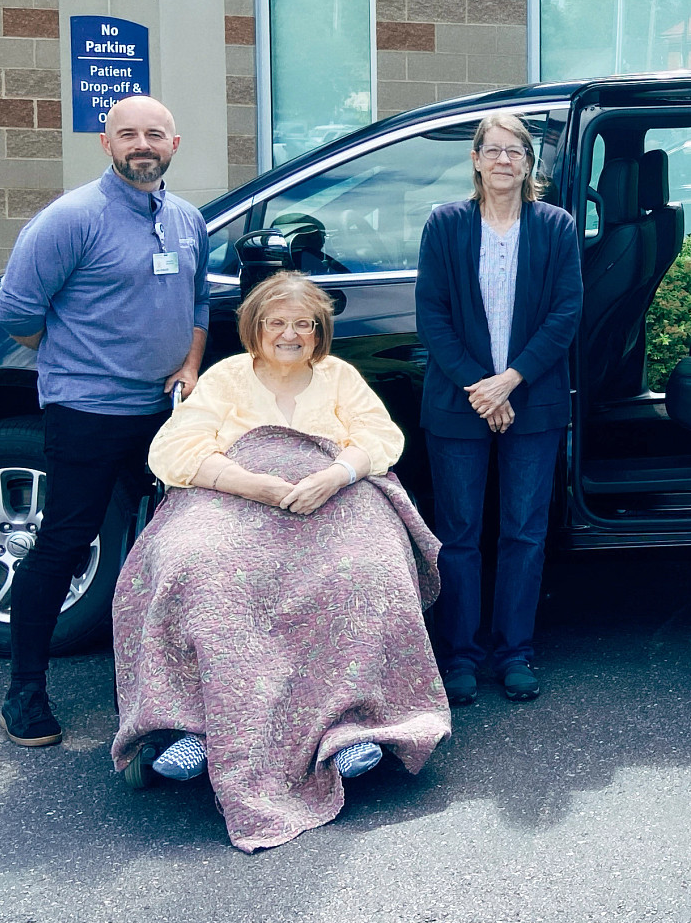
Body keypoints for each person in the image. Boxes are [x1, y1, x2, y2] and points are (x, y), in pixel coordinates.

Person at [111, 273, 449, 852]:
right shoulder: (226, 378)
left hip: (330, 493)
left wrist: (334, 474)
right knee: (194, 565)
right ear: (256, 328)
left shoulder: (340, 377)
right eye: (277, 323)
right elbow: (173, 448)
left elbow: (380, 437)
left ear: (318, 332)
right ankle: (189, 726)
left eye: (303, 324)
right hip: (234, 494)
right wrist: (252, 483)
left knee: (366, 569)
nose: (289, 334)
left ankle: (349, 726)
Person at [0, 94, 208, 749]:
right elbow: (16, 312)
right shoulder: (70, 219)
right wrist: (78, 363)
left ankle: (163, 701)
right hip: (85, 413)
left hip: (162, 418)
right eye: (128, 134)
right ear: (106, 143)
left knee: (166, 552)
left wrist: (191, 363)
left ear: (174, 144)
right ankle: (24, 694)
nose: (142, 144)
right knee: (65, 544)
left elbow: (197, 298)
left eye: (155, 134)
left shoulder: (186, 219)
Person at [415, 113, 582, 705]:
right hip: (460, 403)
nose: (505, 160)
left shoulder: (556, 227)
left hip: (531, 401)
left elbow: (565, 314)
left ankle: (515, 652)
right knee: (458, 535)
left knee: (523, 533)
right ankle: (460, 656)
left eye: (517, 151)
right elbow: (431, 316)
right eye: (494, 150)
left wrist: (508, 382)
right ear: (476, 159)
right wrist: (480, 387)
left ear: (529, 163)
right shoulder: (446, 224)